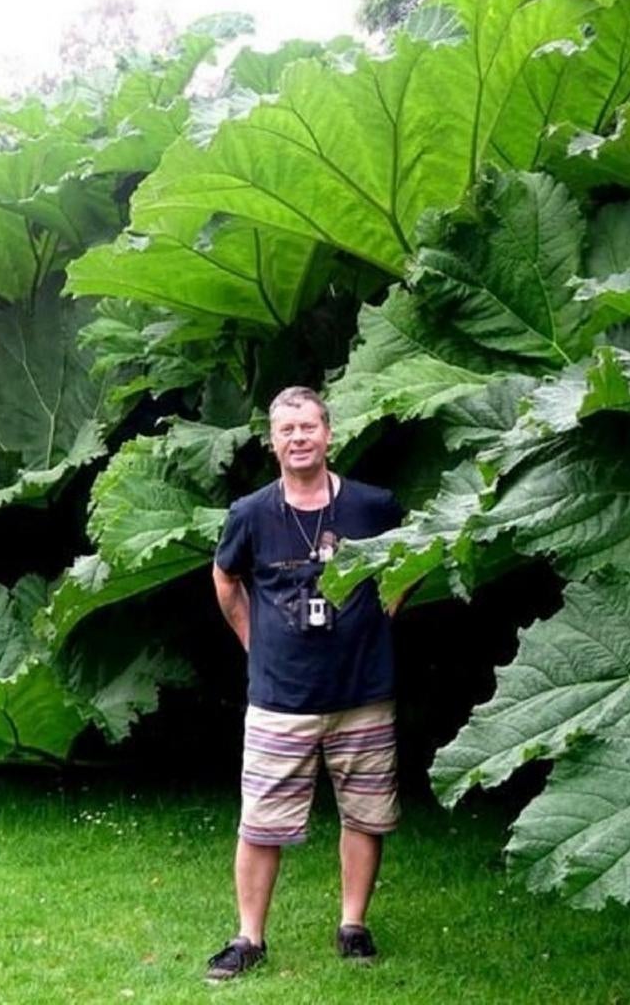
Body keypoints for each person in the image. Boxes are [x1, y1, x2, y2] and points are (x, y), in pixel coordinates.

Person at [207, 385, 405, 981]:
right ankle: (248, 937)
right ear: (273, 443)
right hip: (280, 698)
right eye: (287, 430)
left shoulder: (373, 506)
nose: (299, 439)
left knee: (365, 814)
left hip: (362, 693)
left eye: (308, 427)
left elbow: (408, 559)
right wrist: (256, 641)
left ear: (328, 434)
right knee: (260, 822)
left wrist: (387, 608)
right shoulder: (250, 514)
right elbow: (225, 579)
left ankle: (353, 925)